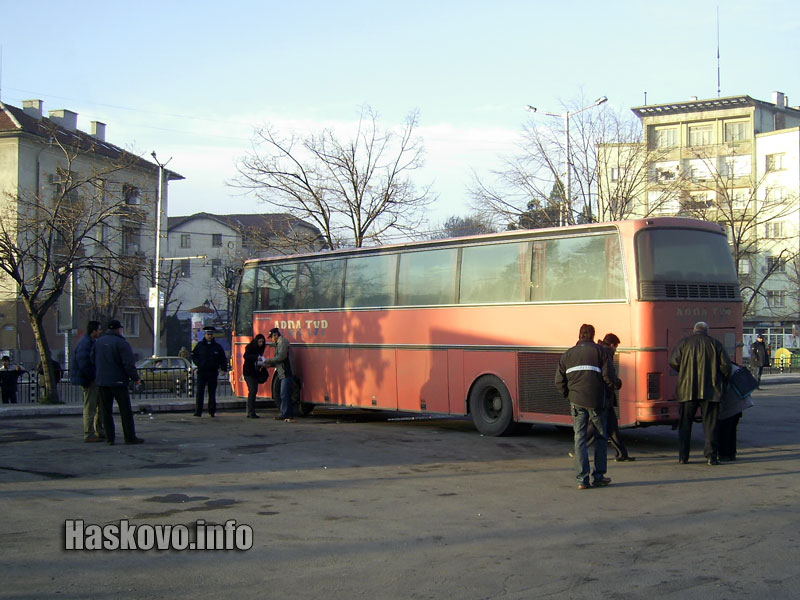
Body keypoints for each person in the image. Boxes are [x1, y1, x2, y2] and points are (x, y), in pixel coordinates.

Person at [555, 323, 616, 490]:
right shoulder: (601, 352)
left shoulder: (568, 354)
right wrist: (612, 389)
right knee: (601, 437)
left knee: (579, 438)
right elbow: (608, 376)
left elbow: (559, 381)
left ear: (580, 335)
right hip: (597, 401)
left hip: (576, 402)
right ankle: (599, 476)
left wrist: (569, 396)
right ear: (592, 335)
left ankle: (582, 479)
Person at [669, 321, 732, 465]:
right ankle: (711, 456)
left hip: (687, 390)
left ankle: (683, 456)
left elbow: (673, 361)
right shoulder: (716, 344)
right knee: (711, 425)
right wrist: (723, 380)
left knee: (685, 424)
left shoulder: (684, 343)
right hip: (711, 390)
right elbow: (726, 366)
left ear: (694, 330)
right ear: (707, 331)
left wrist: (684, 371)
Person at [90, 319, 143, 445]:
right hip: (119, 381)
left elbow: (92, 359)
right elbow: (128, 364)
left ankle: (110, 438)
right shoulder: (122, 343)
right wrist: (135, 378)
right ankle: (129, 437)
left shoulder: (98, 343)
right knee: (125, 411)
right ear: (119, 329)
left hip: (102, 382)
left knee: (106, 411)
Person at [587, 333, 634, 462]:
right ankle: (579, 448)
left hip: (601, 395)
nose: (616, 350)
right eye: (616, 347)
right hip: (604, 396)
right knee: (596, 425)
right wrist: (616, 383)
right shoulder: (607, 353)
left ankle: (621, 453)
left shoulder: (598, 350)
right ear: (612, 345)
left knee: (610, 425)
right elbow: (608, 374)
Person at [69, 320, 106, 442]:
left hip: (91, 378)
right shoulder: (86, 344)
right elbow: (84, 363)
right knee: (90, 407)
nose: (101, 332)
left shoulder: (89, 342)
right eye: (99, 329)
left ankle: (98, 431)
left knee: (98, 405)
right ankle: (89, 433)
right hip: (89, 380)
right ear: (93, 331)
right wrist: (92, 377)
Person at [191, 326, 228, 417]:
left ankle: (212, 411)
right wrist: (198, 363)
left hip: (212, 372)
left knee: (212, 393)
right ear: (205, 335)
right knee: (200, 392)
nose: (210, 336)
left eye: (211, 334)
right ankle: (198, 411)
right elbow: (193, 356)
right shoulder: (200, 345)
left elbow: (222, 359)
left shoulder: (217, 347)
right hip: (202, 372)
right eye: (208, 334)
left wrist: (224, 369)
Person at [265, 327, 295, 422]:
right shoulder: (279, 343)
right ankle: (287, 414)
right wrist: (268, 364)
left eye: (272, 337)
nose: (271, 339)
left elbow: (281, 357)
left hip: (285, 372)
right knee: (284, 394)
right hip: (282, 373)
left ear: (276, 335)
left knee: (284, 394)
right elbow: (277, 360)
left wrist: (268, 360)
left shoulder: (282, 342)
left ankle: (285, 414)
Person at [242, 333, 268, 418]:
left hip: (255, 372)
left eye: (262, 342)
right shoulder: (250, 348)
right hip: (249, 372)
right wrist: (256, 357)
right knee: (252, 390)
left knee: (254, 391)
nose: (261, 344)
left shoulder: (260, 349)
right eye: (260, 342)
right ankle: (250, 411)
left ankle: (251, 411)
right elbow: (246, 356)